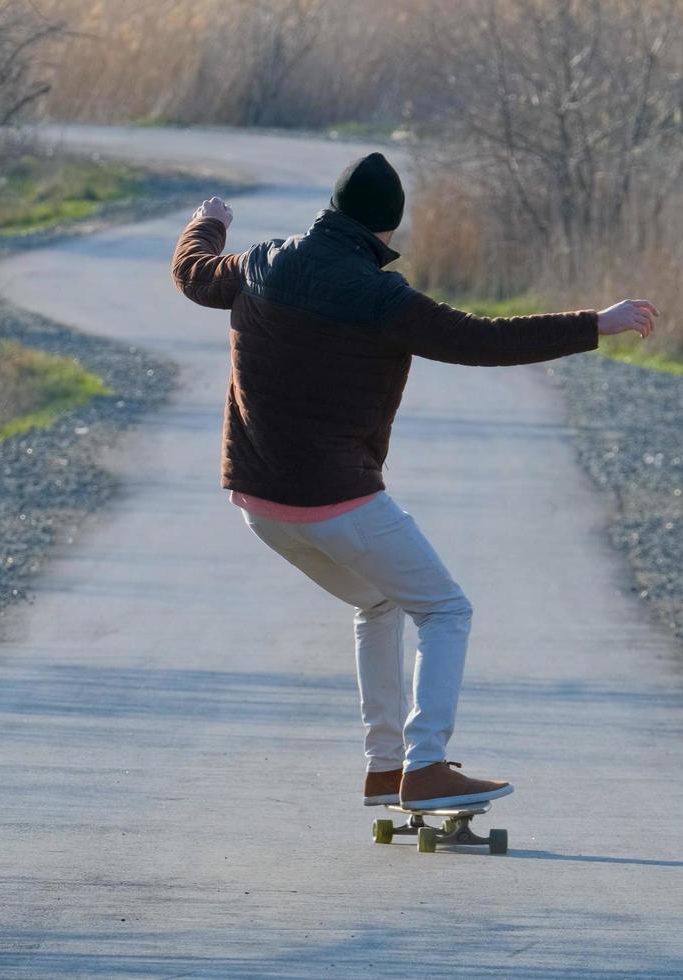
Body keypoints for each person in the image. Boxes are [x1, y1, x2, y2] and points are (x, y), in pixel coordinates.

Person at [170, 152, 656, 810]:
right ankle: (424, 766)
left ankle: (383, 767)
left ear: (334, 210)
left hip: (259, 503)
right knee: (445, 609)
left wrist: (208, 221)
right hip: (337, 500)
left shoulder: (261, 262)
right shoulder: (379, 296)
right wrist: (593, 322)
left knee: (379, 602)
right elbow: (481, 340)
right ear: (387, 231)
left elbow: (193, 273)